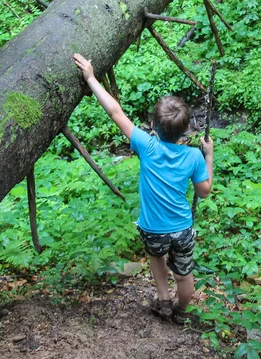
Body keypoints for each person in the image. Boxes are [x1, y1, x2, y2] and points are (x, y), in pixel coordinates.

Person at [73, 53, 214, 324]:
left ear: (153, 126)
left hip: (153, 229)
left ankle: (163, 300)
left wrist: (91, 77)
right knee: (184, 274)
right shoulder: (193, 157)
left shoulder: (146, 146)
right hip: (182, 229)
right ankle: (182, 311)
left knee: (156, 259)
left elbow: (115, 111)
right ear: (186, 130)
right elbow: (204, 191)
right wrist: (209, 156)